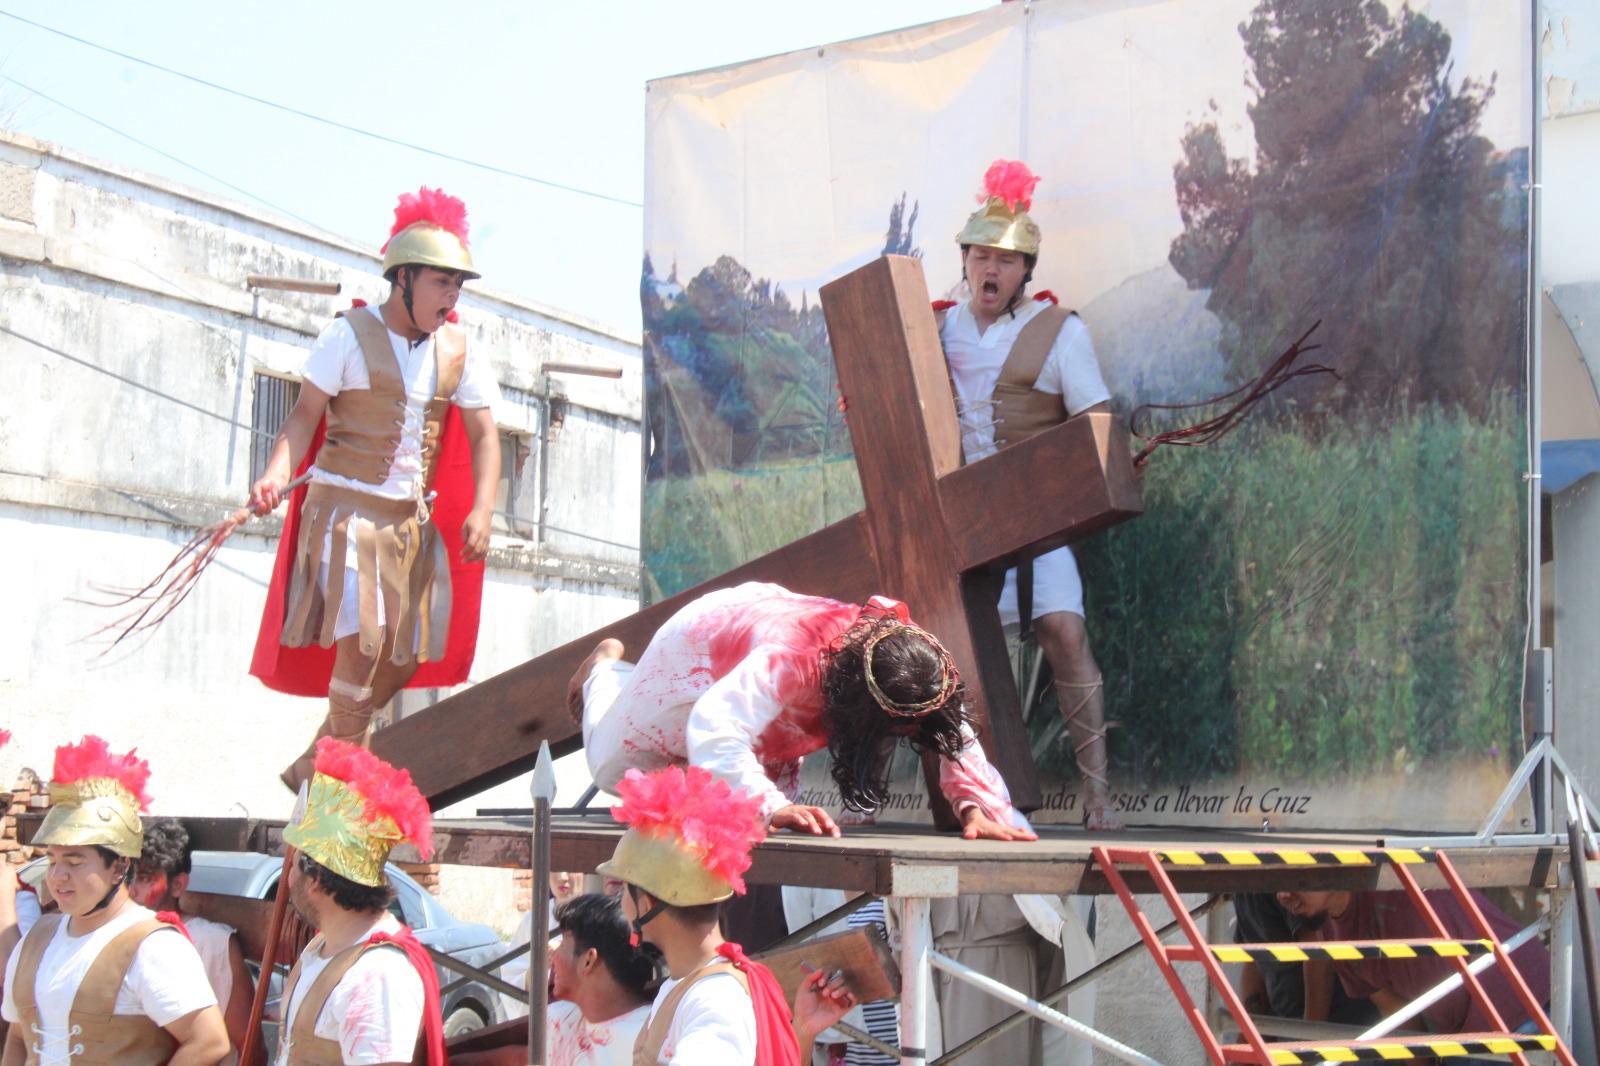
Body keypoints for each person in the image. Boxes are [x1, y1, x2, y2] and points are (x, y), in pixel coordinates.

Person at [249, 186, 502, 793]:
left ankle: (317, 760)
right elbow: (304, 416)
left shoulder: (461, 351)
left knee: (406, 656)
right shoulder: (346, 336)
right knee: (363, 645)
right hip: (342, 512)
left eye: (458, 285)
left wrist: (485, 507)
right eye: (443, 281)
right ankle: (342, 789)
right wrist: (276, 472)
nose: (453, 296)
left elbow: (486, 435)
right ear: (404, 277)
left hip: (406, 522)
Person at [934, 159, 1121, 830]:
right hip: (957, 523)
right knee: (939, 653)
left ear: (1024, 271)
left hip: (1033, 523)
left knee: (1065, 633)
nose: (991, 269)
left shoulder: (1060, 332)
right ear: (965, 260)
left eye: (1005, 260)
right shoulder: (933, 328)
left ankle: (1098, 793)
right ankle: (961, 795)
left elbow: (1094, 423)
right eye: (981, 255)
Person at [569, 581, 1038, 842]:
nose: (901, 740)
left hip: (766, 676)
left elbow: (947, 725)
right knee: (618, 770)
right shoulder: (789, 664)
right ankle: (607, 672)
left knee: (740, 822)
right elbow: (714, 726)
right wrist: (774, 805)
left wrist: (973, 806)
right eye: (897, 731)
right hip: (700, 648)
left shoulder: (907, 655)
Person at [599, 765, 855, 1064]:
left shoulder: (713, 1001)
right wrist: (803, 1032)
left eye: (625, 890)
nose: (621, 904)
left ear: (647, 902)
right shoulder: (691, 985)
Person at [1, 735, 229, 1065]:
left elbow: (208, 1042)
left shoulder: (153, 945)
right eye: (53, 861)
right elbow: (19, 1035)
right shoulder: (36, 939)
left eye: (75, 862)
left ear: (119, 866)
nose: (58, 876)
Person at [275, 738, 445, 1065]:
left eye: (294, 864)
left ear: (317, 882)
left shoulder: (379, 974)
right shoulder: (320, 948)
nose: (288, 877)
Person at [1276, 888, 1552, 1036]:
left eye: (1294, 875)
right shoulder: (1333, 938)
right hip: (1469, 1031)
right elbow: (1395, 1010)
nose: (1282, 894)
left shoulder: (1395, 880)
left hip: (1523, 1001)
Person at [456, 893, 660, 1066]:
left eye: (563, 942)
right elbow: (521, 1058)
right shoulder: (562, 1018)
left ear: (588, 960)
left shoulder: (653, 1042)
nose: (553, 956)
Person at [133, 819, 258, 1064]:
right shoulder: (118, 935)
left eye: (144, 878)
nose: (131, 890)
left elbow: (248, 1044)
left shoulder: (212, 942)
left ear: (177, 884)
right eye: (128, 876)